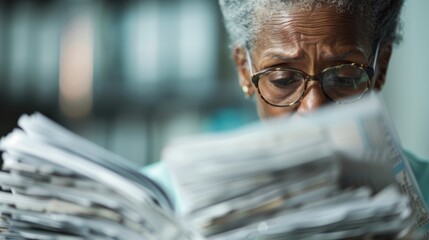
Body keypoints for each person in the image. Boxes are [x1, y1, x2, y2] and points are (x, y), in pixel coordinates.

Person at [144, 0, 429, 211]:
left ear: (381, 69)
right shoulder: (159, 198)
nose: (314, 107)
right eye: (283, 80)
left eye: (343, 77)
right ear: (244, 70)